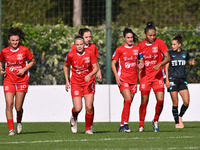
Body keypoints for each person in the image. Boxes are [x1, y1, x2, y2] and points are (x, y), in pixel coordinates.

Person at [0, 27, 36, 136]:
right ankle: (11, 129)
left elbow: (33, 61)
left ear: (19, 40)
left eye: (17, 40)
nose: (15, 42)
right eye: (13, 40)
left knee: (18, 107)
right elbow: (0, 61)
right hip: (9, 80)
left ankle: (19, 121)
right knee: (9, 104)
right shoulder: (4, 51)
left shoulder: (24, 50)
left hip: (22, 80)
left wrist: (24, 69)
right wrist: (1, 69)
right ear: (9, 41)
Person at [138, 22, 171, 132]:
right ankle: (141, 125)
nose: (152, 37)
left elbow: (168, 57)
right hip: (145, 77)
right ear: (145, 34)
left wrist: (159, 64)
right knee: (144, 101)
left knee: (160, 101)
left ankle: (155, 120)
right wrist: (140, 64)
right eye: (150, 35)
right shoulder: (140, 46)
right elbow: (139, 59)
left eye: (154, 35)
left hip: (157, 77)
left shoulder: (159, 43)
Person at [63, 35, 99, 134]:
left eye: (81, 44)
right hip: (76, 83)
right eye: (77, 45)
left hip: (88, 82)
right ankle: (74, 116)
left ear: (84, 45)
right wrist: (67, 81)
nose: (79, 46)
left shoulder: (90, 53)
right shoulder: (70, 55)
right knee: (78, 108)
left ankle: (88, 129)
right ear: (74, 45)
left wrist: (90, 74)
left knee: (89, 106)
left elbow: (95, 67)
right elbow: (65, 66)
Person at [111, 28, 144, 132]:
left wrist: (141, 64)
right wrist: (116, 75)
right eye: (128, 38)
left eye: (131, 37)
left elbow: (141, 60)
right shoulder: (119, 49)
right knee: (128, 99)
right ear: (124, 38)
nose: (130, 39)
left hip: (133, 79)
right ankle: (125, 125)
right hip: (123, 78)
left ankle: (123, 125)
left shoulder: (137, 49)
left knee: (128, 102)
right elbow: (113, 63)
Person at [165, 34, 195, 128]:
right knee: (175, 103)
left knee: (186, 102)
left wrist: (191, 63)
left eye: (174, 44)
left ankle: (180, 116)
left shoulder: (185, 53)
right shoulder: (169, 54)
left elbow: (189, 61)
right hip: (172, 80)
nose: (172, 46)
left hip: (182, 80)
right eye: (172, 44)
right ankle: (177, 122)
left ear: (179, 45)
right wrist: (167, 80)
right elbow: (165, 67)